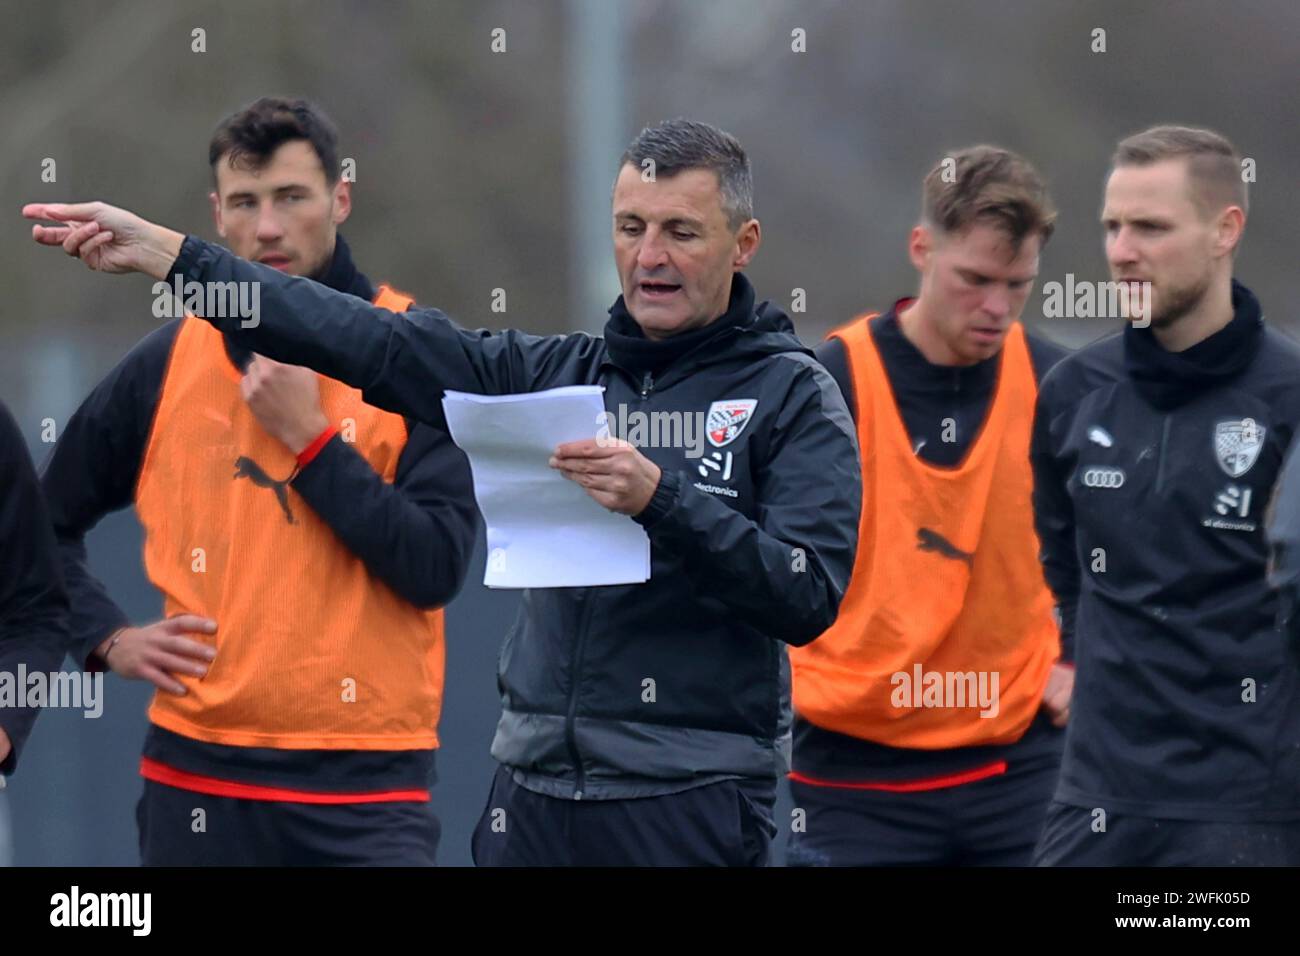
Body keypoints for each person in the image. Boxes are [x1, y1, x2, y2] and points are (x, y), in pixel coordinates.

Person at [26, 118, 861, 866]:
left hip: (689, 800)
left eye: (682, 232)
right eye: (632, 228)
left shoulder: (791, 393)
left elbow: (808, 595)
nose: (650, 257)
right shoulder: (551, 374)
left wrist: (661, 502)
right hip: (531, 797)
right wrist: (178, 260)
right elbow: (362, 339)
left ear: (743, 242)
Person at [35, 97, 478, 865]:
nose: (267, 227)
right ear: (216, 215)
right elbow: (38, 525)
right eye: (245, 202)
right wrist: (105, 639)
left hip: (367, 798)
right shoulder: (168, 362)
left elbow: (434, 566)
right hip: (196, 784)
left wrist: (310, 444)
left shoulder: (416, 353)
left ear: (340, 199)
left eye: (291, 197)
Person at [788, 146, 1071, 866]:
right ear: (921, 249)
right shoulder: (832, 381)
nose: (996, 308)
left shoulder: (1054, 382)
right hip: (852, 775)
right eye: (974, 279)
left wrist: (1080, 657)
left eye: (1018, 285)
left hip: (1018, 767)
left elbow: (1118, 546)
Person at [1031, 125, 1300, 865]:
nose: (1121, 250)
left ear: (1225, 231)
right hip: (1095, 801)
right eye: (1113, 227)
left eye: (1150, 227)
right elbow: (1061, 566)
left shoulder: (1289, 397)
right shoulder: (1073, 394)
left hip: (1249, 809)